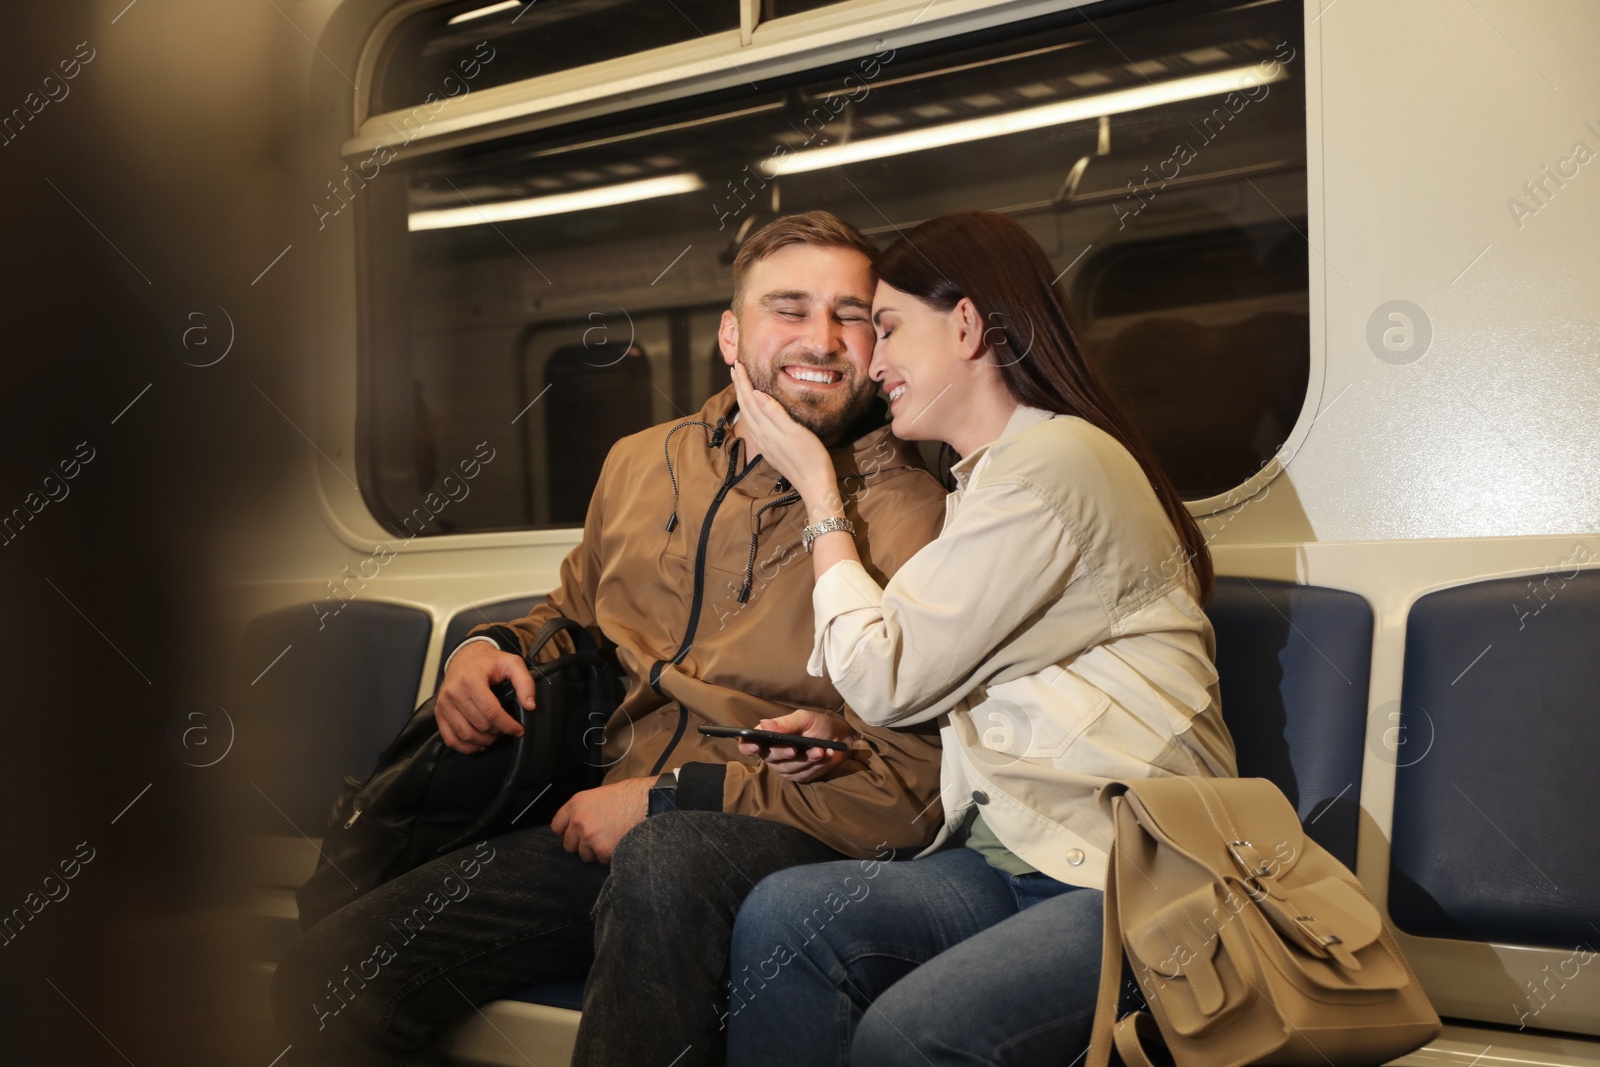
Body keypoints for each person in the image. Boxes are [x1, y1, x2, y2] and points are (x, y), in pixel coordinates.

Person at [268, 211, 951, 1067]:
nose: (822, 338)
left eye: (850, 313)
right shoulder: (642, 461)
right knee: (325, 976)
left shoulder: (912, 515)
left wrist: (671, 797)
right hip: (601, 822)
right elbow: (571, 613)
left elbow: (915, 785)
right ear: (731, 335)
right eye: (790, 307)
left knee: (664, 860)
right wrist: (485, 650)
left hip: (774, 831)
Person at [723, 210, 1237, 1067]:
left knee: (907, 1035)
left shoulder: (1056, 468)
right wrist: (846, 738)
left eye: (886, 328)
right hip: (1014, 858)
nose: (873, 360)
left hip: (1132, 879)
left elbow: (884, 675)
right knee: (783, 917)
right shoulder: (983, 483)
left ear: (966, 326)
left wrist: (819, 491)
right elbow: (929, 668)